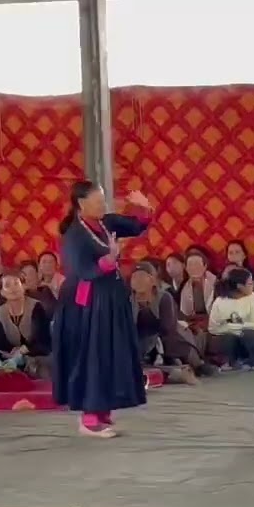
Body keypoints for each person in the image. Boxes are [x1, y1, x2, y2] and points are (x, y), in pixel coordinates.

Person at [51, 181, 154, 438]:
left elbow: (136, 226)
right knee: (92, 356)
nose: (102, 205)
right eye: (97, 201)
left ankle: (104, 409)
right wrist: (110, 259)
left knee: (110, 353)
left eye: (103, 200)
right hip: (89, 303)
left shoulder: (106, 222)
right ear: (81, 204)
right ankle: (89, 417)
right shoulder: (74, 234)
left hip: (110, 298)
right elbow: (83, 270)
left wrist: (143, 208)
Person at [208, 267, 254, 369]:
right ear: (239, 286)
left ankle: (253, 361)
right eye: (250, 284)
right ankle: (229, 362)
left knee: (250, 335)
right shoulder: (220, 301)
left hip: (246, 336)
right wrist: (237, 327)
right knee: (226, 337)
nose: (253, 286)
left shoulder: (253, 298)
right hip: (230, 337)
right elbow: (212, 328)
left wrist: (230, 325)